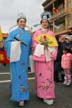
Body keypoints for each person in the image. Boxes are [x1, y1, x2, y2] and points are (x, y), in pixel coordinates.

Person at [4, 13, 32, 106]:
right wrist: (14, 43)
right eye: (21, 21)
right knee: (16, 76)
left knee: (24, 77)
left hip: (24, 58)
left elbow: (30, 47)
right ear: (17, 23)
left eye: (24, 22)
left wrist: (31, 57)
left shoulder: (28, 34)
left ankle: (23, 96)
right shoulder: (13, 33)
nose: (22, 23)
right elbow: (7, 43)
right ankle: (17, 95)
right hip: (16, 58)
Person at [32, 12, 58, 105]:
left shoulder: (51, 33)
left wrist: (49, 46)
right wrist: (41, 45)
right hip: (40, 58)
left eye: (46, 22)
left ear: (48, 23)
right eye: (43, 22)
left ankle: (48, 95)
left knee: (48, 77)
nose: (44, 23)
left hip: (48, 58)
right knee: (40, 76)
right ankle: (40, 93)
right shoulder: (36, 33)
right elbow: (34, 45)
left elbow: (55, 46)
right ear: (41, 23)